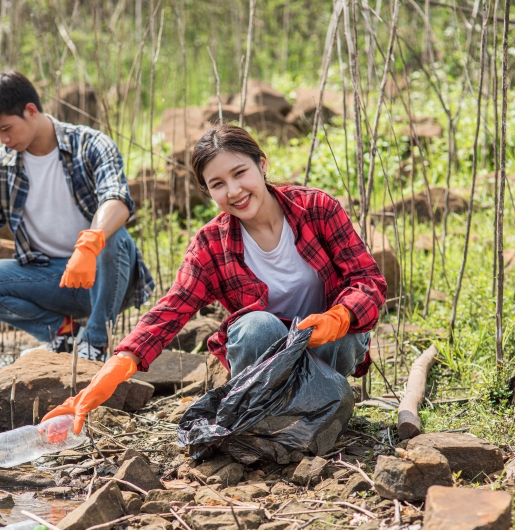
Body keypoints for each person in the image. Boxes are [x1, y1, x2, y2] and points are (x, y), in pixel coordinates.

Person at [44, 124, 387, 432]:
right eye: (218, 184)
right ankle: (268, 417)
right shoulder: (211, 244)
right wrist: (112, 372)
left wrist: (339, 317)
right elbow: (170, 310)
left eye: (240, 173)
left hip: (324, 345)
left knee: (347, 331)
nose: (234, 190)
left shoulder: (316, 208)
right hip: (264, 363)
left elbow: (367, 281)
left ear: (262, 165)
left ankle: (320, 407)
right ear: (208, 192)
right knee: (257, 326)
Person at [0, 71, 154, 361]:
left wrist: (89, 245)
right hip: (52, 280)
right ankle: (63, 334)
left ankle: (97, 343)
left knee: (114, 237)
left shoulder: (91, 145)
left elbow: (117, 200)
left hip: (106, 275)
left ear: (31, 111)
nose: (2, 139)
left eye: (6, 128)